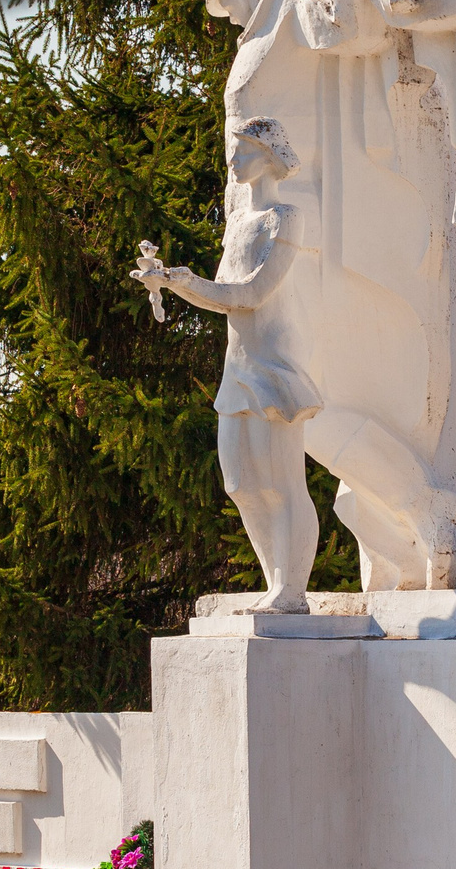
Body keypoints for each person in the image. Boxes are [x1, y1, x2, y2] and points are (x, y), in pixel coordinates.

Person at [131, 117, 321, 612]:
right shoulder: (238, 222)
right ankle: (275, 583)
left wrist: (182, 280)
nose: (233, 159)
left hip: (273, 364)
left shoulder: (285, 217)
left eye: (243, 150)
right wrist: (172, 280)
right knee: (240, 483)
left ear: (268, 156)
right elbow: (222, 297)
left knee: (281, 484)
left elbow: (254, 293)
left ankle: (290, 591)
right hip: (238, 366)